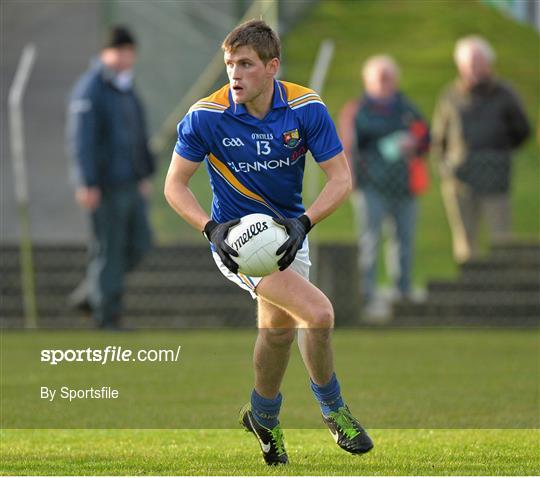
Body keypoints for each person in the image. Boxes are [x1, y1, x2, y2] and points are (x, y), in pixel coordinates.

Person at [164, 20, 373, 465]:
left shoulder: (305, 108)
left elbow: (341, 179)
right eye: (229, 64)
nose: (234, 75)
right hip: (237, 243)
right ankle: (334, 410)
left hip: (287, 236)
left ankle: (263, 416)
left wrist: (304, 223)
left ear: (272, 66)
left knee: (277, 332)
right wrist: (211, 230)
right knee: (318, 314)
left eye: (245, 64)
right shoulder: (206, 116)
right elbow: (175, 186)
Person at [67, 26, 155, 329]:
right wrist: (86, 182)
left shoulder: (126, 87)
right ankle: (107, 317)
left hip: (131, 183)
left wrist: (144, 174)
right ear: (105, 53)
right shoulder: (91, 88)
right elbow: (81, 140)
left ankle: (93, 292)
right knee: (109, 251)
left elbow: (138, 134)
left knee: (141, 244)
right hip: (104, 187)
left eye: (128, 51)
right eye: (118, 51)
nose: (124, 57)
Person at [339, 55, 430, 320]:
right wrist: (351, 181)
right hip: (371, 186)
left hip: (404, 186)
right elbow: (347, 147)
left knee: (404, 240)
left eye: (389, 78)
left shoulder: (407, 109)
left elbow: (427, 136)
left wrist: (414, 144)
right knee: (370, 240)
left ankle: (402, 293)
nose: (385, 83)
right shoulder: (357, 111)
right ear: (368, 82)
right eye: (380, 78)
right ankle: (365, 294)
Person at [432, 35, 530, 263]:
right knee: (466, 241)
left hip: (495, 175)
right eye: (468, 64)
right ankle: (469, 294)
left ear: (489, 63)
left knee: (501, 237)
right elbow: (439, 139)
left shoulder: (505, 94)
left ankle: (504, 292)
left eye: (478, 63)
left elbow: (522, 130)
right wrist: (446, 167)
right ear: (460, 66)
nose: (473, 69)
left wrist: (500, 152)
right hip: (461, 179)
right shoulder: (451, 96)